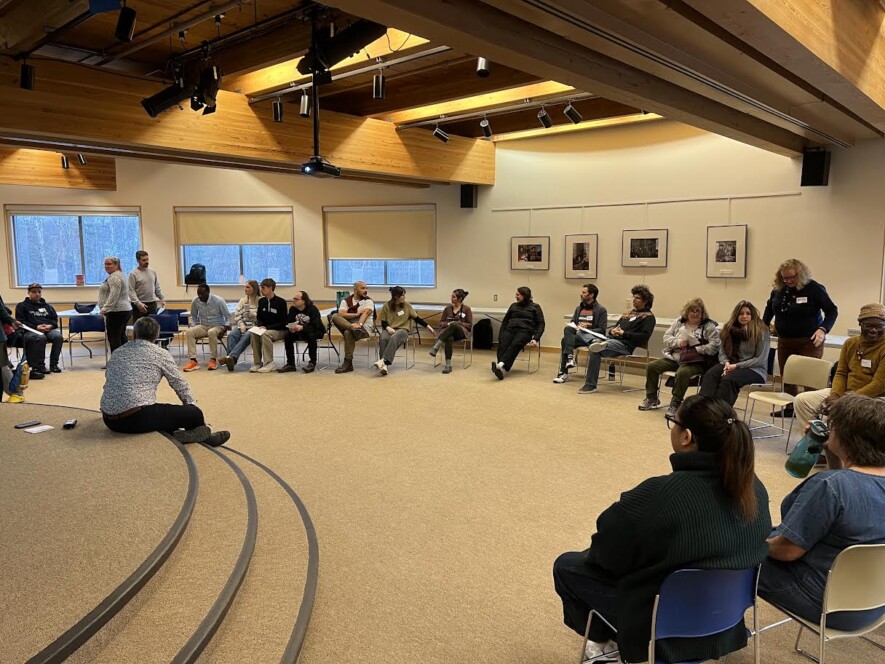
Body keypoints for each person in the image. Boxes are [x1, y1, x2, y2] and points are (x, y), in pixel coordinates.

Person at [553, 395, 770, 664]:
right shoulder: (754, 487)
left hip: (662, 627)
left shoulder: (659, 495)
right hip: (725, 624)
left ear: (686, 437)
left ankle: (606, 646)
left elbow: (604, 555)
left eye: (673, 423)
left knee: (566, 566)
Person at [759, 394, 885, 631]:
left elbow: (787, 551)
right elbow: (849, 487)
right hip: (873, 605)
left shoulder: (829, 486)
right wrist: (833, 455)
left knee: (731, 549)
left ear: (845, 435)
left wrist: (747, 544)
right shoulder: (841, 482)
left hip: (824, 602)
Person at [100, 317, 229, 446]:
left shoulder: (118, 351)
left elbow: (109, 378)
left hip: (109, 420)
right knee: (194, 414)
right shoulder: (160, 353)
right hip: (136, 418)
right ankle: (205, 437)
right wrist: (191, 408)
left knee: (161, 414)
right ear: (156, 336)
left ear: (134, 334)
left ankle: (173, 434)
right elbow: (179, 384)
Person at [763, 259, 838, 416]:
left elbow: (832, 310)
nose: (788, 281)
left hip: (809, 341)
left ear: (801, 274)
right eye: (785, 278)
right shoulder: (778, 289)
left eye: (792, 277)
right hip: (785, 341)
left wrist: (823, 329)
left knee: (809, 378)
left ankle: (812, 411)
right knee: (788, 376)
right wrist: (763, 325)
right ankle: (791, 408)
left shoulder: (814, 289)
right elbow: (770, 308)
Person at [793, 303, 885, 426]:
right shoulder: (850, 343)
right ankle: (815, 441)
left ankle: (837, 443)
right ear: (860, 324)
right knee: (802, 401)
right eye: (869, 326)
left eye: (879, 326)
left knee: (846, 412)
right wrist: (835, 394)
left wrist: (846, 400)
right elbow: (841, 373)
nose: (874, 330)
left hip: (875, 397)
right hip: (845, 392)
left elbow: (878, 384)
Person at [640, 298, 720, 416]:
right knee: (652, 366)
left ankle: (675, 403)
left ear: (702, 313)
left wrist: (697, 348)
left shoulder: (708, 326)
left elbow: (715, 346)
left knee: (682, 373)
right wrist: (679, 342)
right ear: (686, 312)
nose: (695, 314)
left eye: (698, 311)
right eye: (691, 311)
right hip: (676, 357)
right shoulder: (679, 322)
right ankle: (652, 397)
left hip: (696, 361)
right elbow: (666, 338)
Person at [578, 284, 655, 394]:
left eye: (637, 298)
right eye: (633, 297)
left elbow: (643, 337)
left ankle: (590, 385)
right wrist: (612, 331)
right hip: (612, 340)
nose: (634, 300)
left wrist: (624, 333)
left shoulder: (649, 318)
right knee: (585, 337)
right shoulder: (628, 314)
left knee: (596, 348)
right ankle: (596, 342)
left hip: (625, 345)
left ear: (646, 301)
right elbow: (614, 328)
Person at [699, 300, 770, 407]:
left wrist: (736, 366)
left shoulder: (761, 331)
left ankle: (720, 414)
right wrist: (726, 363)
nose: (744, 316)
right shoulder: (728, 329)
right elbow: (722, 352)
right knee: (710, 375)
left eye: (748, 313)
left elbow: (760, 359)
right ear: (736, 315)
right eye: (741, 313)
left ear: (753, 315)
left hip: (755, 369)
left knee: (729, 380)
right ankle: (704, 409)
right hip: (731, 364)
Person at [553, 283, 608, 384]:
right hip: (579, 336)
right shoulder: (579, 308)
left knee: (566, 340)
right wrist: (578, 326)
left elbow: (602, 330)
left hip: (591, 338)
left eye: (584, 292)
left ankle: (563, 372)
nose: (581, 294)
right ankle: (570, 358)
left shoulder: (601, 310)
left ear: (591, 295)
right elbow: (573, 323)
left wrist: (587, 328)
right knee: (567, 331)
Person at [376, 286, 434, 376]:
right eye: (402, 295)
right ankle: (384, 366)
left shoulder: (407, 305)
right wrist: (388, 328)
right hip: (389, 328)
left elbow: (417, 318)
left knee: (394, 338)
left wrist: (428, 326)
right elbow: (383, 322)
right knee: (383, 338)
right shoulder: (386, 306)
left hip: (403, 329)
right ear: (396, 296)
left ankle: (383, 361)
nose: (404, 297)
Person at [491, 286, 545, 380]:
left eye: (518, 295)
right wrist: (501, 334)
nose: (516, 296)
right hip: (510, 328)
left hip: (525, 331)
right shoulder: (513, 306)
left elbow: (541, 324)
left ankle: (500, 365)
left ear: (525, 296)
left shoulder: (535, 307)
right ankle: (501, 367)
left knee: (515, 344)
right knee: (503, 343)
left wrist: (536, 338)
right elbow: (505, 321)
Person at [14, 283, 63, 374]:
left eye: (39, 292)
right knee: (41, 337)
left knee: (58, 336)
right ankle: (40, 366)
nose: (37, 294)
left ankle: (54, 364)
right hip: (30, 331)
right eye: (34, 292)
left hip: (47, 329)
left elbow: (54, 320)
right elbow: (21, 322)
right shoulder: (21, 306)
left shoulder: (48, 307)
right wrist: (36, 327)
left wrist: (50, 326)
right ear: (28, 293)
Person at [182, 283, 229, 372]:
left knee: (211, 332)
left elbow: (228, 317)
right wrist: (195, 326)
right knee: (189, 332)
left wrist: (225, 328)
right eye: (198, 294)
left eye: (202, 294)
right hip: (203, 325)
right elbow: (194, 316)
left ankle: (213, 360)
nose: (200, 296)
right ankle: (193, 361)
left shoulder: (218, 301)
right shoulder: (195, 301)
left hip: (217, 326)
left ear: (208, 292)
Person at [331, 281, 375, 374]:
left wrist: (359, 324)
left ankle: (348, 364)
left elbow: (366, 313)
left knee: (347, 333)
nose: (365, 290)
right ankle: (352, 328)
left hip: (364, 328)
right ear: (355, 290)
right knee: (335, 316)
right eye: (362, 288)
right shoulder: (346, 301)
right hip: (351, 326)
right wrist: (355, 315)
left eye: (366, 288)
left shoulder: (368, 301)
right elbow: (342, 314)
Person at [428, 289, 473, 374]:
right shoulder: (447, 309)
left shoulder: (467, 309)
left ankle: (436, 346)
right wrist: (448, 324)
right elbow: (440, 323)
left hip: (461, 332)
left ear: (459, 299)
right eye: (451, 296)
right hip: (448, 332)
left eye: (453, 297)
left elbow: (470, 325)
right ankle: (448, 365)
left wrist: (459, 323)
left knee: (454, 324)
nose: (451, 298)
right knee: (449, 337)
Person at [280, 290, 325, 373]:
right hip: (299, 331)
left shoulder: (312, 309)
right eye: (293, 298)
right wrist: (291, 328)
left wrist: (302, 328)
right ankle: (290, 364)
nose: (293, 301)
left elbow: (316, 326)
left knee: (311, 336)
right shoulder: (292, 309)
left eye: (296, 299)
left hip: (315, 331)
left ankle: (312, 363)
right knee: (288, 336)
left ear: (303, 301)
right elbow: (288, 322)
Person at [220, 280, 260, 372]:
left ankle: (231, 358)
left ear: (254, 289)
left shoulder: (260, 300)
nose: (245, 289)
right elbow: (237, 314)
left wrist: (253, 315)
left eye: (248, 287)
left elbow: (262, 317)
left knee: (246, 336)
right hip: (243, 325)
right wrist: (241, 325)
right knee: (231, 335)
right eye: (245, 287)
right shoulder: (243, 300)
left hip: (255, 326)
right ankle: (231, 360)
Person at [250, 277, 288, 373]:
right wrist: (260, 326)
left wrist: (267, 328)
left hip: (279, 330)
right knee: (254, 333)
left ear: (270, 288)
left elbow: (283, 322)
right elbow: (259, 318)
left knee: (265, 334)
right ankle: (257, 362)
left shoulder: (281, 302)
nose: (261, 290)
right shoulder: (261, 301)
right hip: (265, 328)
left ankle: (269, 363)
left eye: (263, 288)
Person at [98, 256, 132, 353]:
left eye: (109, 264)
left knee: (114, 338)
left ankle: (116, 363)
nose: (106, 266)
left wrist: (105, 308)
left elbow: (114, 294)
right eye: (105, 264)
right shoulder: (119, 275)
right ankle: (124, 360)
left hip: (117, 311)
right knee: (120, 336)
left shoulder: (115, 277)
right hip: (122, 310)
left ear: (116, 265)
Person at [128, 250, 166, 322]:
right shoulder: (133, 274)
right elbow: (130, 291)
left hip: (152, 304)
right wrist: (138, 304)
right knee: (139, 329)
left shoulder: (152, 272)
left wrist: (162, 298)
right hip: (139, 305)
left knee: (152, 328)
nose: (146, 262)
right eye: (144, 260)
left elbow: (157, 288)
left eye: (147, 259)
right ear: (138, 261)